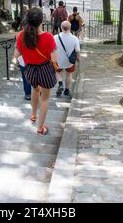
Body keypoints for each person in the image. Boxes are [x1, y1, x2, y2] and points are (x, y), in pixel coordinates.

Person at [11, 7, 58, 135]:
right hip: (44, 70)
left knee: (35, 90)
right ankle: (40, 128)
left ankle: (33, 114)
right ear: (41, 22)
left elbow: (17, 52)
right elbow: (54, 59)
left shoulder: (21, 35)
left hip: (30, 70)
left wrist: (14, 61)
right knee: (45, 99)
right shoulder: (48, 37)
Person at [54, 21, 80, 98]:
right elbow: (78, 51)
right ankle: (67, 90)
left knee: (58, 72)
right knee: (69, 74)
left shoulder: (55, 37)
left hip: (58, 59)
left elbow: (51, 49)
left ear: (61, 28)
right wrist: (79, 60)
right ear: (70, 28)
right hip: (70, 61)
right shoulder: (75, 38)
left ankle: (60, 84)